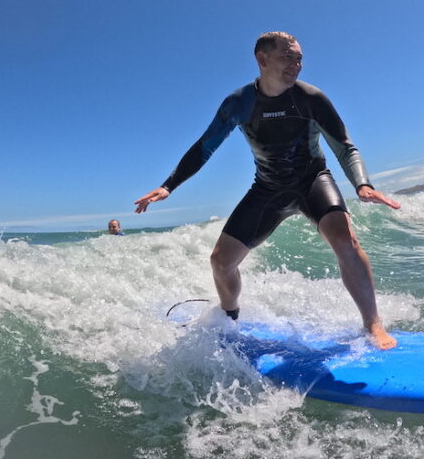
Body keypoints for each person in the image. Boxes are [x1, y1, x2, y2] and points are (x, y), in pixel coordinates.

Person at [134, 31, 400, 349]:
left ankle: (373, 324)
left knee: (345, 240)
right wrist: (169, 186)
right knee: (220, 262)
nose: (296, 64)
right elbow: (205, 146)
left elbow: (344, 146)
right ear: (262, 59)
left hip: (312, 181)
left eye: (299, 58)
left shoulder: (311, 98)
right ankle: (229, 318)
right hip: (268, 189)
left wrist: (362, 184)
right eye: (288, 57)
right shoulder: (239, 103)